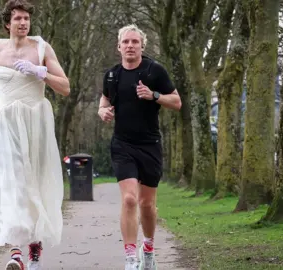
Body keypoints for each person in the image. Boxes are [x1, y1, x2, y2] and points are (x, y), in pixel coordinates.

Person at [0, 1, 70, 269]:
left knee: (34, 183)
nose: (23, 22)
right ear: (8, 23)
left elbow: (65, 87)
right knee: (12, 183)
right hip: (5, 123)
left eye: (26, 18)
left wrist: (42, 73)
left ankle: (35, 251)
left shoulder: (41, 47)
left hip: (35, 120)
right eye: (17, 18)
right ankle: (16, 254)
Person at [98, 24, 181, 270]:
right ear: (119, 46)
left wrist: (154, 95)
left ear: (142, 46)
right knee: (130, 200)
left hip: (150, 145)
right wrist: (102, 110)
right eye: (126, 42)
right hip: (122, 145)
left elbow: (176, 102)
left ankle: (148, 247)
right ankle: (131, 257)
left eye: (135, 42)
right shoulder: (112, 75)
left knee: (146, 204)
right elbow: (104, 99)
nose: (130, 46)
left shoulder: (154, 70)